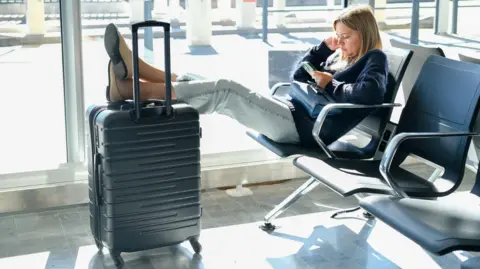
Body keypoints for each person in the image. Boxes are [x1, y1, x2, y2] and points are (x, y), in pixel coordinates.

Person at [103, 5, 388, 147]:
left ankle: (134, 87)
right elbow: (298, 75)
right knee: (208, 82)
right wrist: (322, 49)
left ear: (365, 33)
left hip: (305, 128)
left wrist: (331, 83)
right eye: (337, 36)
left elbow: (370, 94)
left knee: (226, 89)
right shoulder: (340, 57)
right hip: (292, 112)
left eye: (346, 36)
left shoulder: (375, 58)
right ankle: (138, 74)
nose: (341, 41)